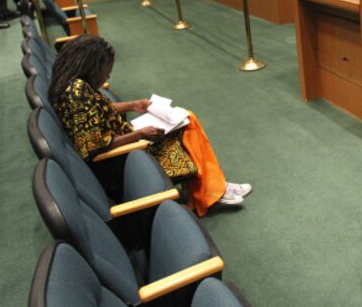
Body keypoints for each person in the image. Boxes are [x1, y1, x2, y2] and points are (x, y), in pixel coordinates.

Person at [49, 35, 251, 216]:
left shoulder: (72, 83)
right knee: (187, 127)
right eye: (107, 70)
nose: (108, 76)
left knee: (188, 119)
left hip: (121, 142)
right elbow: (94, 147)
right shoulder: (77, 93)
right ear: (93, 66)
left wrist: (134, 105)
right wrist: (139, 135)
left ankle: (213, 187)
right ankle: (213, 190)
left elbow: (99, 109)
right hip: (118, 160)